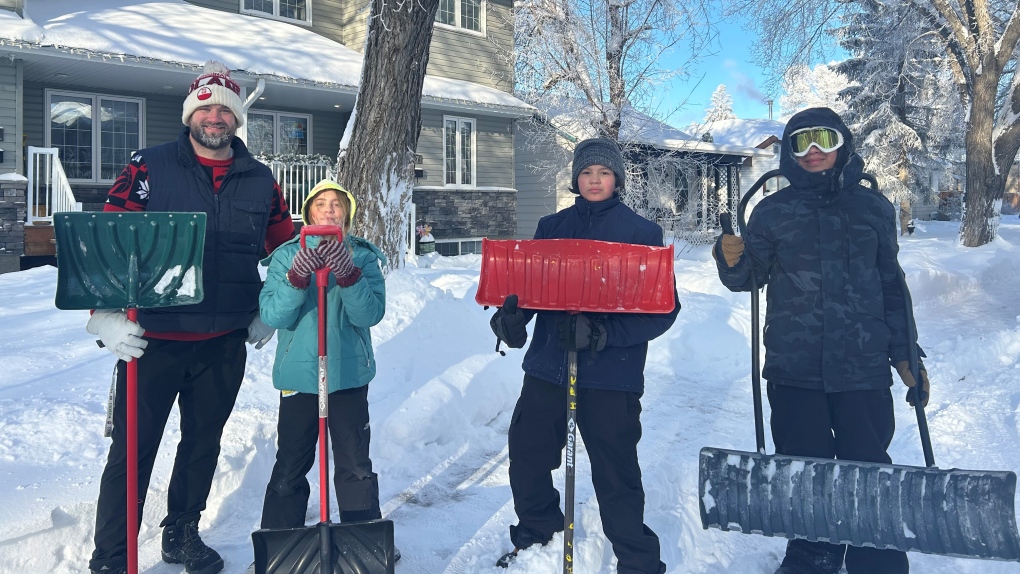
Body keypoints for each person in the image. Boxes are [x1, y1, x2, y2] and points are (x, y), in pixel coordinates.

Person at [86, 61, 295, 574]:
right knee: (132, 453)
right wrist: (104, 316)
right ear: (190, 114)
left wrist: (271, 308)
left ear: (238, 119)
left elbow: (286, 252)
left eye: (225, 108)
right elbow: (108, 243)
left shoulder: (260, 180)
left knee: (202, 445)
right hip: (151, 337)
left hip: (224, 339)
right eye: (206, 107)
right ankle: (112, 558)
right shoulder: (149, 167)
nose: (215, 116)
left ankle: (181, 533)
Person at [713, 107, 930, 574]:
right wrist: (732, 260)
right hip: (795, 367)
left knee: (867, 464)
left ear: (842, 144)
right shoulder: (772, 210)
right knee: (803, 467)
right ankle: (814, 552)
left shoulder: (873, 208)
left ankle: (875, 552)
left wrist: (905, 353)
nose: (813, 151)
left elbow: (891, 285)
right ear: (790, 152)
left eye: (823, 140)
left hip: (863, 365)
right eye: (801, 142)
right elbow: (750, 278)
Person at [489, 138, 680, 574]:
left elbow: (663, 310)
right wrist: (512, 319)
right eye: (587, 173)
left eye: (604, 173)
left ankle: (637, 559)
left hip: (612, 375)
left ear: (617, 179)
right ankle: (539, 535)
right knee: (528, 452)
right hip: (548, 367)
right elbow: (531, 292)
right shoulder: (552, 227)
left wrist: (603, 334)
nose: (594, 180)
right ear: (576, 178)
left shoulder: (641, 234)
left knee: (616, 473)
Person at [256, 180, 392, 548]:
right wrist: (296, 278)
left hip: (347, 376)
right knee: (291, 462)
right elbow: (274, 314)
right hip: (299, 376)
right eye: (321, 203)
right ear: (309, 212)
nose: (329, 209)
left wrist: (348, 276)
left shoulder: (362, 256)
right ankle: (280, 542)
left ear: (346, 213)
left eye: (337, 203)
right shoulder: (285, 256)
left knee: (354, 462)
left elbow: (370, 314)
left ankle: (362, 542)